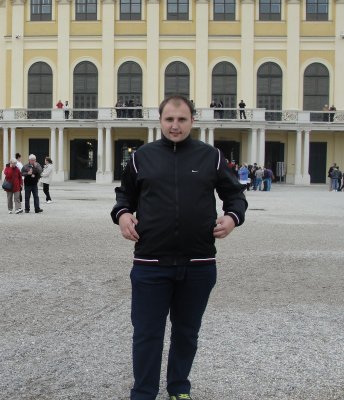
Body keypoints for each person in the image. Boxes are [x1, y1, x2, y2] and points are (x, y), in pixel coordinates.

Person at [111, 95, 247, 400]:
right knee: (147, 334)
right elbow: (124, 196)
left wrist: (232, 218)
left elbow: (235, 196)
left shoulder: (211, 157)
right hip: (150, 264)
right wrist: (122, 215)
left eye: (182, 119)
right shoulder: (141, 157)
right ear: (160, 121)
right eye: (169, 119)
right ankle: (143, 392)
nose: (175, 125)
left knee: (186, 333)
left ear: (192, 121)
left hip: (199, 264)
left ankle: (179, 388)